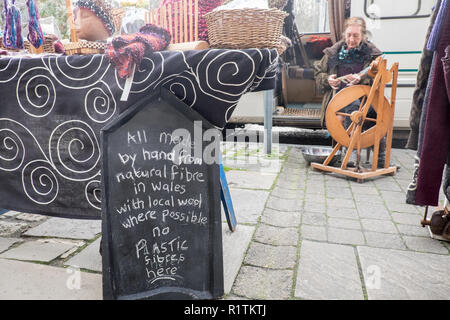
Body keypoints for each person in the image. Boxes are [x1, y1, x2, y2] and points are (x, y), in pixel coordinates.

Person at [314, 17, 392, 168]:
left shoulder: (372, 55)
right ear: (344, 35)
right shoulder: (333, 53)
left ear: (363, 36)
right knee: (352, 103)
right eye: (349, 35)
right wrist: (328, 79)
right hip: (338, 102)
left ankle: (380, 157)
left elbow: (381, 78)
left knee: (380, 111)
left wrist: (362, 77)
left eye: (356, 35)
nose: (351, 39)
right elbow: (318, 74)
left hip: (366, 100)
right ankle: (352, 151)